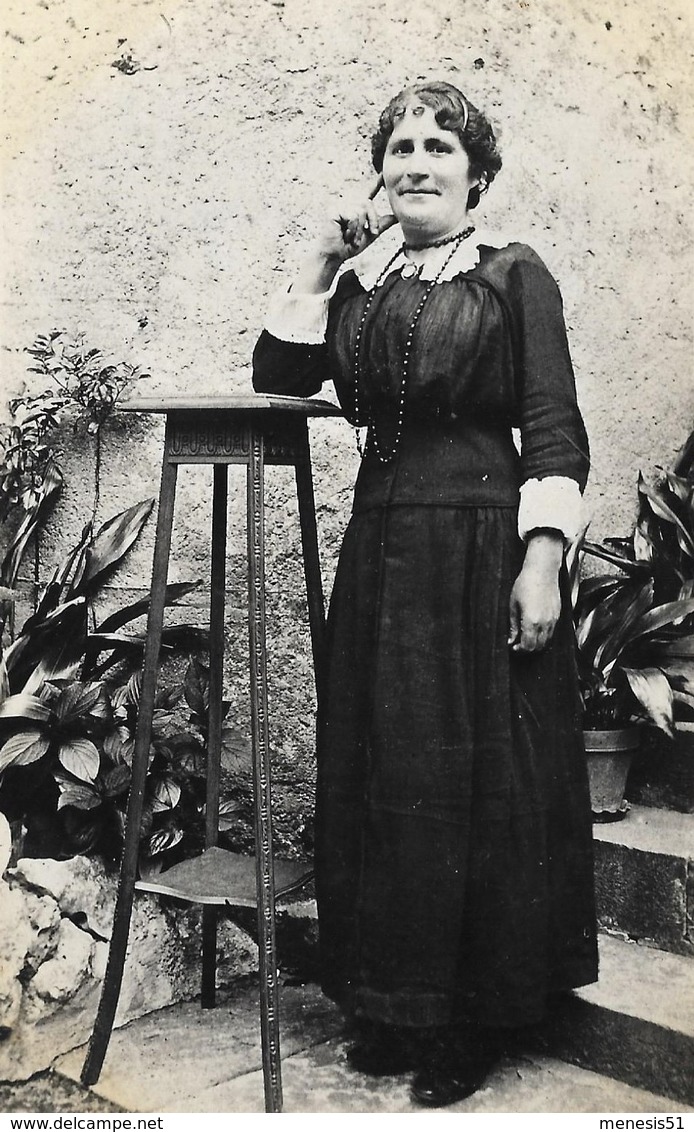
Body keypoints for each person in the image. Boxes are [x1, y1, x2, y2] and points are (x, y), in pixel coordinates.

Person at [252, 80, 598, 1108]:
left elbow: (553, 422)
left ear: (475, 172)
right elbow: (279, 374)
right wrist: (320, 256)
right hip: (382, 548)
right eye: (400, 147)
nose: (415, 162)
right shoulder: (365, 285)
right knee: (385, 767)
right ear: (380, 172)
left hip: (480, 543)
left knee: (472, 777)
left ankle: (472, 1016)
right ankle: (397, 1000)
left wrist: (543, 556)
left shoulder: (512, 276)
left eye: (439, 147)